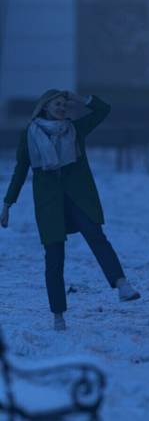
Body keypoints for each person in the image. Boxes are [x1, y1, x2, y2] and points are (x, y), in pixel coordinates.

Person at [1, 89, 140, 330]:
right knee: (54, 257)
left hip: (78, 198)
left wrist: (79, 98)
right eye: (57, 103)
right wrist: (7, 204)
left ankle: (121, 284)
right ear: (45, 106)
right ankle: (58, 315)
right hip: (49, 204)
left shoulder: (75, 129)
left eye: (65, 104)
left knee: (96, 236)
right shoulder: (30, 134)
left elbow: (103, 110)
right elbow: (20, 170)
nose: (62, 107)